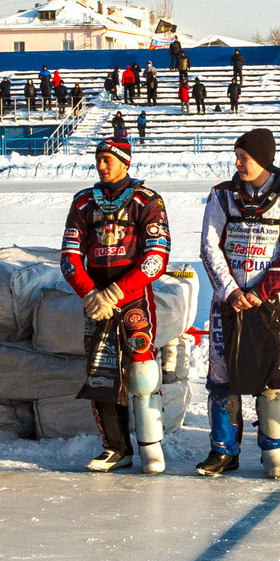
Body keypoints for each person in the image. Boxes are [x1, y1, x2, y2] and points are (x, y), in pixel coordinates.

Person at [196, 127, 280, 478]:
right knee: (221, 374)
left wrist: (260, 291)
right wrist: (230, 290)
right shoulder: (222, 194)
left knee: (270, 374)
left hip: (268, 302)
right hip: (227, 301)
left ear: (262, 159)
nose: (237, 163)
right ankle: (223, 451)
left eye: (243, 158)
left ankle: (274, 450)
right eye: (237, 156)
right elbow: (209, 245)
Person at [64, 135, 174, 473]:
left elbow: (157, 257)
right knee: (100, 371)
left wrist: (117, 293)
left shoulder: (147, 200)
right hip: (95, 301)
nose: (101, 166)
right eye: (97, 159)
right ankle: (115, 448)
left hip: (133, 297)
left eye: (107, 160)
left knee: (141, 371)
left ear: (126, 162)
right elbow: (69, 257)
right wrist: (90, 294)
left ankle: (150, 446)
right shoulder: (83, 202)